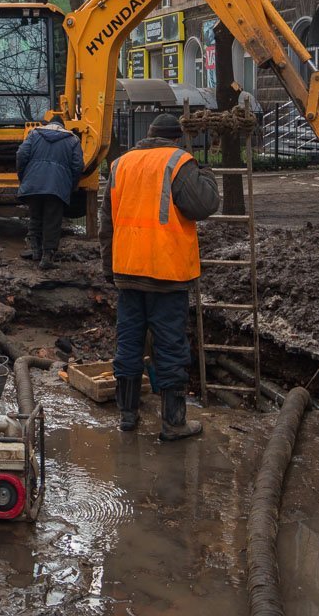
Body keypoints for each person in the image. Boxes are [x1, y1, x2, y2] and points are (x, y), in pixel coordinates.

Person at [100, 113, 219, 440]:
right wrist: (204, 171)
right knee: (170, 346)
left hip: (127, 270)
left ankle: (127, 416)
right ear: (176, 139)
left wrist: (109, 267)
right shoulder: (177, 162)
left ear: (148, 136)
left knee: (128, 341)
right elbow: (205, 203)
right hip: (165, 272)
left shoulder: (120, 164)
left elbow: (106, 223)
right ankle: (173, 423)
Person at [16, 115, 84, 270]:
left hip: (33, 182)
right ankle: (47, 256)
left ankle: (35, 251)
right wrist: (70, 185)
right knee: (52, 220)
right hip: (57, 185)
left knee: (35, 216)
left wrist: (23, 176)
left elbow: (21, 155)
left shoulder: (34, 134)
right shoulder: (72, 140)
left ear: (48, 124)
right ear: (62, 126)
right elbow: (78, 165)